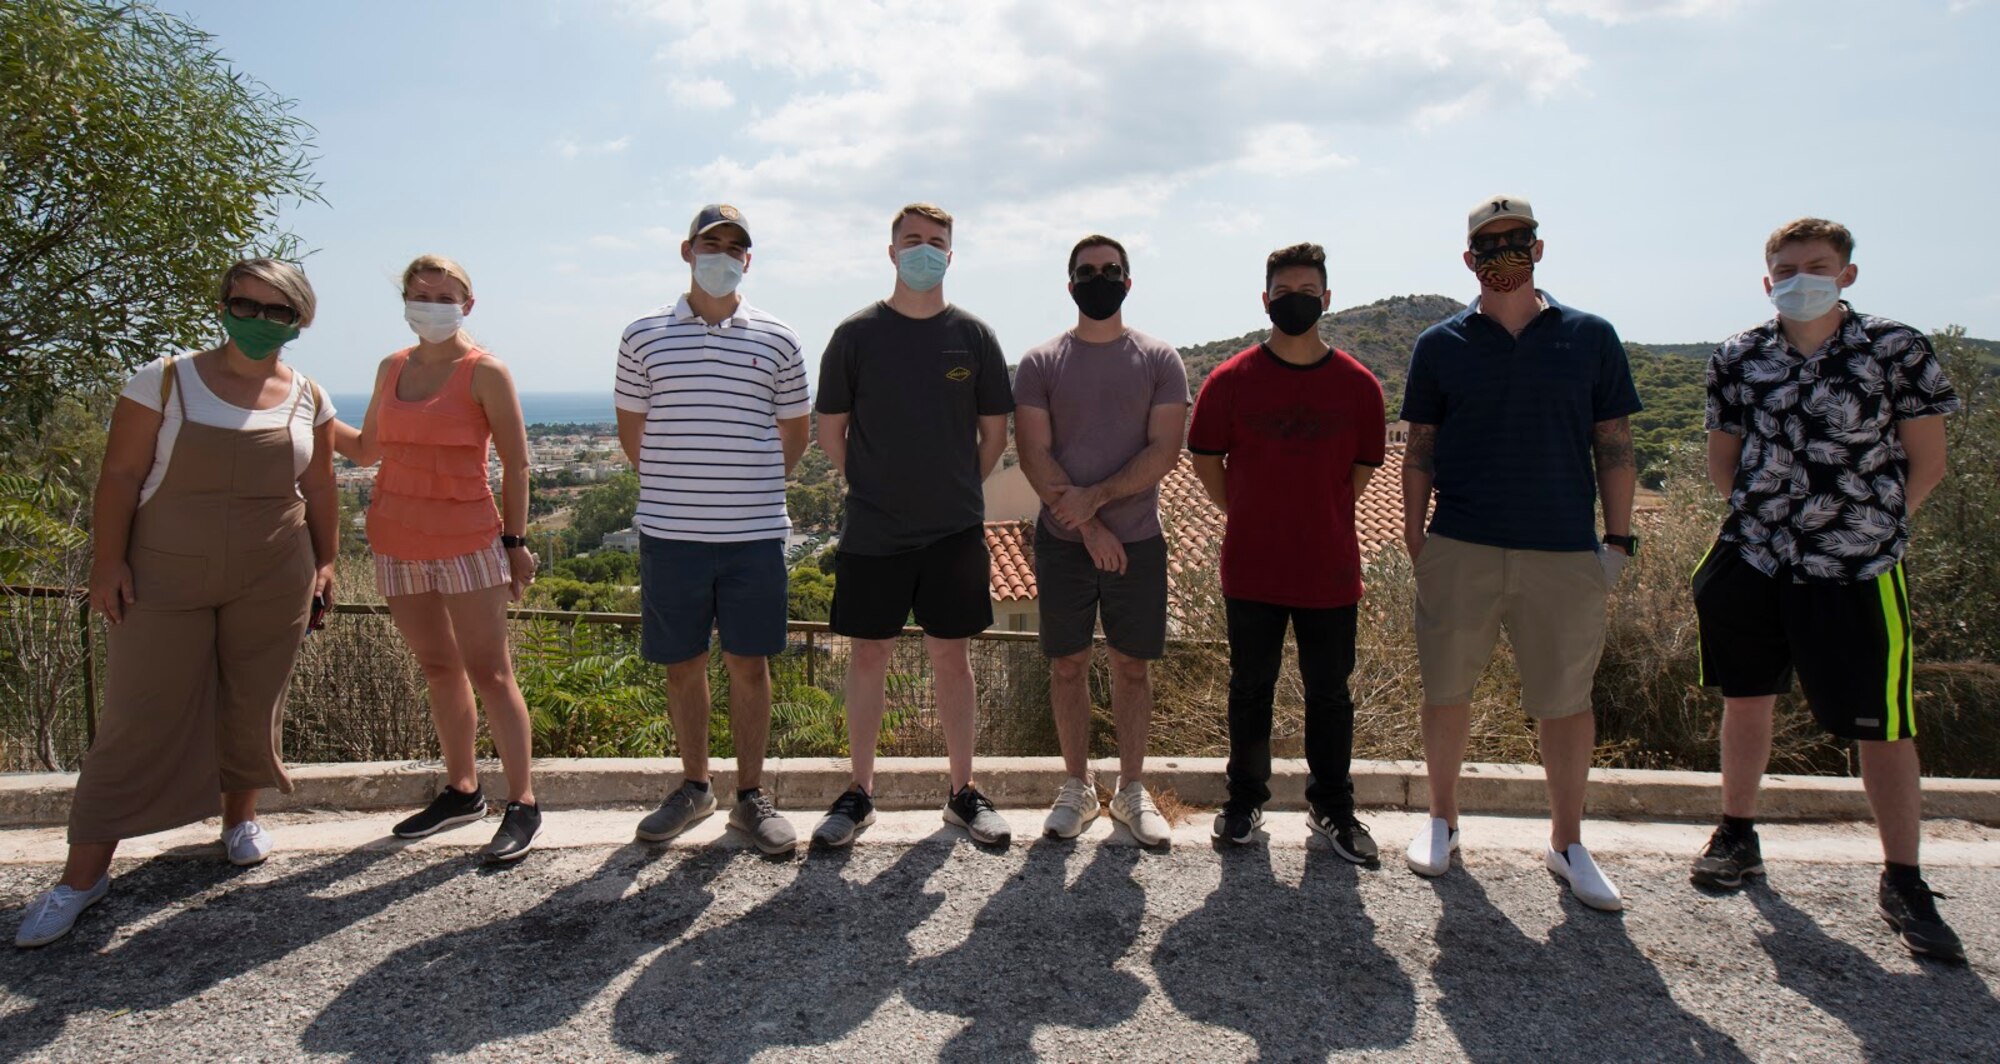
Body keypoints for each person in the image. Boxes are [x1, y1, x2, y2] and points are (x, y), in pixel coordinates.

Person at [15, 258, 338, 948]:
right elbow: (122, 476)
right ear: (222, 305)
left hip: (274, 574)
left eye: (275, 311)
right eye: (243, 305)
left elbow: (321, 486)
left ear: (298, 321)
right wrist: (108, 561)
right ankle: (81, 876)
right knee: (138, 715)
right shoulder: (163, 380)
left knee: (252, 701)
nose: (256, 321)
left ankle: (238, 821)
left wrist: (328, 562)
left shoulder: (308, 394)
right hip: (159, 574)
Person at [1690, 218, 1962, 960]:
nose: (1800, 275)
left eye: (1816, 264)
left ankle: (1903, 877)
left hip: (1857, 569)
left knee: (1883, 724)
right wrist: (1769, 524)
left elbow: (1926, 462)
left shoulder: (1896, 348)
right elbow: (1725, 460)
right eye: (1786, 266)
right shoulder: (1739, 356)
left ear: (1847, 274)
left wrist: (1864, 528)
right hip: (1754, 559)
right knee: (1746, 698)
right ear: (1766, 277)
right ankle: (1737, 834)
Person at [1399, 196, 1641, 911]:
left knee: (1565, 703)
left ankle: (1568, 843)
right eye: (1488, 245)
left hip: (1563, 550)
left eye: (1517, 241)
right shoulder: (1439, 345)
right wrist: (1417, 536)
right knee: (1446, 691)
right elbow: (1419, 448)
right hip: (1461, 544)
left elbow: (1615, 443)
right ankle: (1442, 820)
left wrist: (1618, 541)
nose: (1503, 254)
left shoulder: (1591, 337)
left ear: (1539, 249)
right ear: (1469, 260)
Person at [812, 202, 1014, 847]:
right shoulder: (855, 335)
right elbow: (829, 430)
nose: (923, 251)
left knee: (951, 659)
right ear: (891, 249)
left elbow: (994, 433)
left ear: (950, 255)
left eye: (935, 242)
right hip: (873, 531)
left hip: (953, 529)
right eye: (912, 240)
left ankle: (962, 792)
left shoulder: (975, 337)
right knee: (867, 656)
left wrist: (955, 488)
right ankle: (859, 792)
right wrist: (871, 485)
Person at [331, 255, 542, 865]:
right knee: (438, 668)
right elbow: (367, 449)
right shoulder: (391, 367)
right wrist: (313, 408)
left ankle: (523, 803)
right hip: (397, 539)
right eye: (421, 294)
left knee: (491, 672)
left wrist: (515, 541)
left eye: (445, 296)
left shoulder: (485, 372)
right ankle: (463, 790)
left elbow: (518, 463)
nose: (431, 304)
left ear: (467, 305)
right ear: (404, 298)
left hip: (470, 541)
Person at [614, 205, 811, 855]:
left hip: (754, 534)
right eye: (711, 243)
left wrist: (745, 489)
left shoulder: (779, 338)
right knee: (683, 665)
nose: (722, 254)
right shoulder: (642, 335)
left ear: (748, 259)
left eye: (734, 246)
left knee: (749, 663)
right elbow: (631, 433)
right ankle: (696, 787)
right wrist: (683, 488)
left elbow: (795, 434)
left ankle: (750, 797)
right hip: (671, 534)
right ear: (686, 251)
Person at [1187, 242, 1387, 862]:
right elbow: (1204, 460)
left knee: (1330, 693)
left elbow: (1358, 473)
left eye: (1306, 291)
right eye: (1283, 292)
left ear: (1327, 300)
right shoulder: (1229, 381)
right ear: (1265, 300)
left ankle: (1332, 807)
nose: (1294, 300)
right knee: (1250, 688)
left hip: (1330, 570)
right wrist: (1245, 512)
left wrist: (1313, 514)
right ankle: (1244, 800)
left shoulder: (1360, 387)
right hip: (1251, 568)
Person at [1013, 234, 1187, 846]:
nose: (1100, 278)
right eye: (1087, 271)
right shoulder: (1039, 363)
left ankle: (1133, 790)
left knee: (1132, 667)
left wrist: (1099, 504)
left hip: (1138, 540)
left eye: (1111, 270)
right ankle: (1078, 787)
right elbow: (1033, 453)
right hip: (1063, 542)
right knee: (1068, 665)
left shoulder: (1160, 359)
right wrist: (1087, 525)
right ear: (1070, 285)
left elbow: (1165, 450)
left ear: (1129, 281)